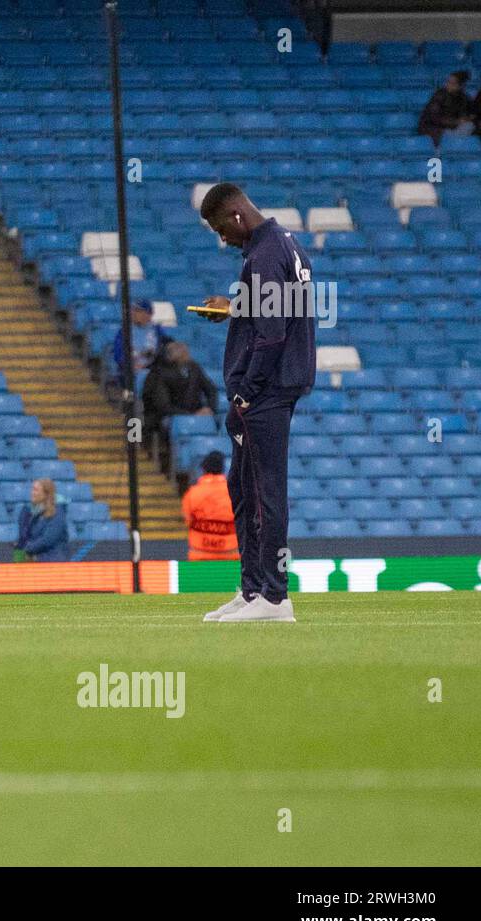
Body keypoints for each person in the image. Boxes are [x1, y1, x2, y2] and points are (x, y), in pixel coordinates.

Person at [198, 182, 316, 623]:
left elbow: (272, 335)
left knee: (267, 491)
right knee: (244, 487)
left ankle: (274, 595)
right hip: (273, 386)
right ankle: (251, 590)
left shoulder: (265, 255)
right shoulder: (283, 242)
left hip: (266, 390)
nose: (221, 239)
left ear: (234, 216)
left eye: (219, 229)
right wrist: (233, 308)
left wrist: (246, 389)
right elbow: (276, 311)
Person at [142, 340, 219, 471]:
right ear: (171, 355)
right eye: (181, 351)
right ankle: (173, 466)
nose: (186, 353)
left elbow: (211, 389)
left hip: (196, 413)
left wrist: (209, 408)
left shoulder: (194, 368)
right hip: (169, 416)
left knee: (213, 421)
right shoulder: (158, 374)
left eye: (185, 351)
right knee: (175, 425)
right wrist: (192, 415)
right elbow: (163, 407)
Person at [182, 452, 238, 562]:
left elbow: (187, 520)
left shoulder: (192, 493)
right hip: (230, 555)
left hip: (200, 556)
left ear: (204, 469)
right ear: (222, 469)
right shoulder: (234, 492)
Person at [112, 299, 171, 392]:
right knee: (145, 376)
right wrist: (131, 365)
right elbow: (118, 354)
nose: (134, 313)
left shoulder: (157, 330)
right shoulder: (124, 331)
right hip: (131, 369)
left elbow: (166, 349)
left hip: (154, 367)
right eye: (133, 310)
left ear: (148, 314)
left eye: (138, 311)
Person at [14, 478, 69, 562]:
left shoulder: (57, 513)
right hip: (35, 560)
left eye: (35, 490)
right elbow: (25, 535)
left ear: (46, 494)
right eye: (32, 489)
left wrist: (26, 549)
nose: (32, 493)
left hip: (54, 562)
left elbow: (48, 540)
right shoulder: (31, 512)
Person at [417, 70, 472, 148]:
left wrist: (468, 118)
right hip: (434, 129)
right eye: (448, 81)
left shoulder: (464, 97)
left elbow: (471, 112)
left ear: (460, 86)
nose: (447, 85)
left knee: (471, 126)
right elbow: (433, 117)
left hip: (452, 129)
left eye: (452, 83)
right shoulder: (439, 95)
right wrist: (456, 121)